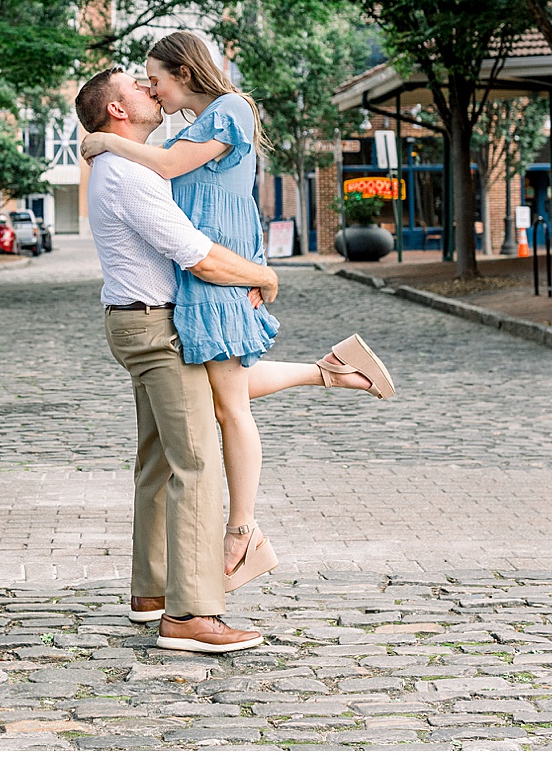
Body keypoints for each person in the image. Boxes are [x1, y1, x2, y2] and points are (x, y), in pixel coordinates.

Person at [81, 32, 395, 593]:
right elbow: (171, 170)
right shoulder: (184, 125)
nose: (151, 87)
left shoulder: (231, 108)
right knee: (223, 391)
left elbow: (173, 169)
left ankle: (241, 532)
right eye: (142, 83)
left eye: (155, 78)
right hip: (201, 270)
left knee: (226, 407)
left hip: (218, 266)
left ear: (183, 71)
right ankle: (332, 372)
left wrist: (107, 143)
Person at [76, 66, 275, 655]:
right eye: (138, 85)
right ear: (117, 109)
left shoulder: (127, 162)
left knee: (159, 460)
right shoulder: (128, 175)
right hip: (156, 327)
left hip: (133, 319)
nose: (150, 88)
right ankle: (191, 613)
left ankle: (152, 592)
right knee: (196, 463)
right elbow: (198, 256)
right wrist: (263, 274)